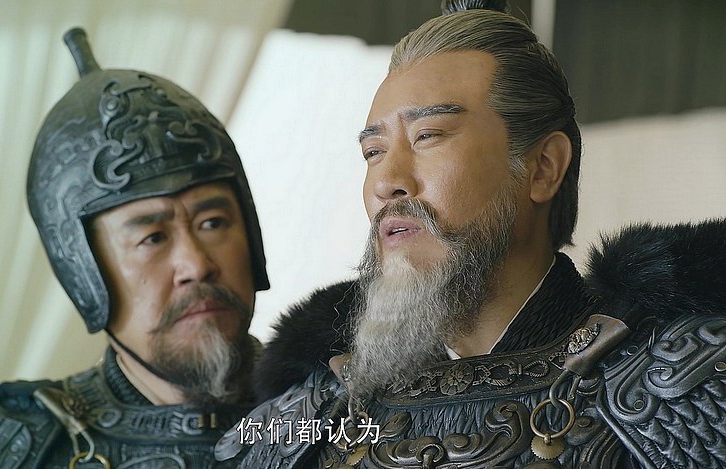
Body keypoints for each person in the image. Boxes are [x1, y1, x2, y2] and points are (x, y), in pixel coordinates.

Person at [214, 1, 726, 468]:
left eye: (427, 136)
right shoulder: (311, 415)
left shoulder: (682, 386)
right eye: (373, 152)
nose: (387, 182)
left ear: (543, 167)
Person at [0, 27, 269, 468]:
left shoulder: (332, 418)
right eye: (153, 238)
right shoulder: (5, 450)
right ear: (84, 271)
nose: (196, 264)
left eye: (212, 223)